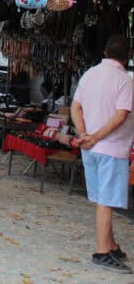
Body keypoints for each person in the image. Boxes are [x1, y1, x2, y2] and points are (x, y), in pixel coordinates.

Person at [71, 35, 134, 274]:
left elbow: (76, 106)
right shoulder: (124, 80)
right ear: (127, 56)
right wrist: (95, 136)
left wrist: (84, 134)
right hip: (110, 147)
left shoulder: (90, 74)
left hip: (90, 148)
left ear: (105, 52)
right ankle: (101, 252)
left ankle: (111, 245)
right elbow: (121, 115)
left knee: (102, 200)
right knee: (106, 201)